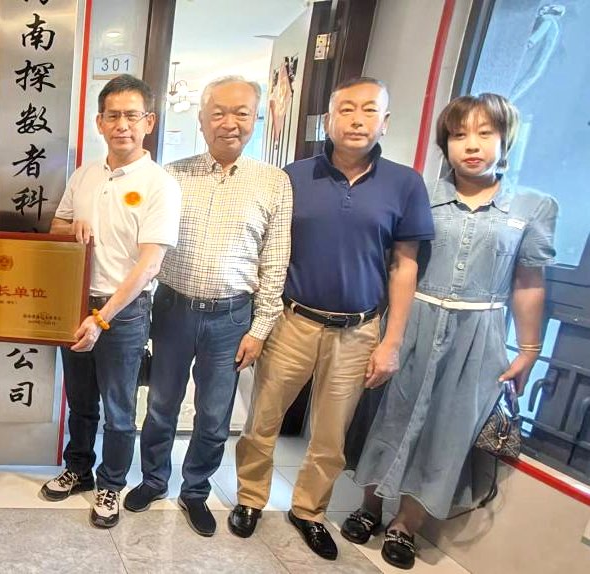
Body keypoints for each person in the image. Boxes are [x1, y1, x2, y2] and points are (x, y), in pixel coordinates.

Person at [344, 93, 556, 570]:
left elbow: (528, 281)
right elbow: (399, 263)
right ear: (446, 144)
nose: (471, 145)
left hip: (478, 333)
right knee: (389, 415)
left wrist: (528, 350)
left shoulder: (533, 206)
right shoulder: (420, 193)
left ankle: (406, 524)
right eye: (459, 135)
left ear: (505, 140)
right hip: (414, 320)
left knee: (448, 430)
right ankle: (369, 506)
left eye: (485, 133)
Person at [231, 77, 434, 560]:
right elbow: (269, 250)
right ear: (328, 119)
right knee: (263, 418)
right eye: (346, 109)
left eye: (369, 110)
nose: (357, 120)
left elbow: (405, 266)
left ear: (385, 121)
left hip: (359, 329)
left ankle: (309, 510)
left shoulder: (405, 184)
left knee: (330, 433)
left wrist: (391, 341)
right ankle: (250, 498)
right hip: (293, 320)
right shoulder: (292, 177)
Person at [125, 75, 292, 537]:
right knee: (161, 405)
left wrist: (260, 328)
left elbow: (276, 260)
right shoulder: (171, 176)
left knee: (215, 416)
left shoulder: (274, 183)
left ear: (256, 120)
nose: (229, 123)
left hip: (232, 317)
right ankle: (154, 480)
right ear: (201, 120)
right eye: (218, 113)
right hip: (173, 309)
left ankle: (195, 489)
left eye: (241, 113)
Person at [40, 74, 181, 529]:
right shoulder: (85, 175)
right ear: (99, 123)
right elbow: (56, 229)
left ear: (149, 122)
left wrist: (102, 317)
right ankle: (78, 468)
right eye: (113, 116)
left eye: (132, 116)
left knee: (119, 411)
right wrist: (72, 228)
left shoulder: (160, 185)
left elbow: (149, 264)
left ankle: (111, 484)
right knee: (80, 401)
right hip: (75, 305)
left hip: (123, 314)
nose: (122, 125)